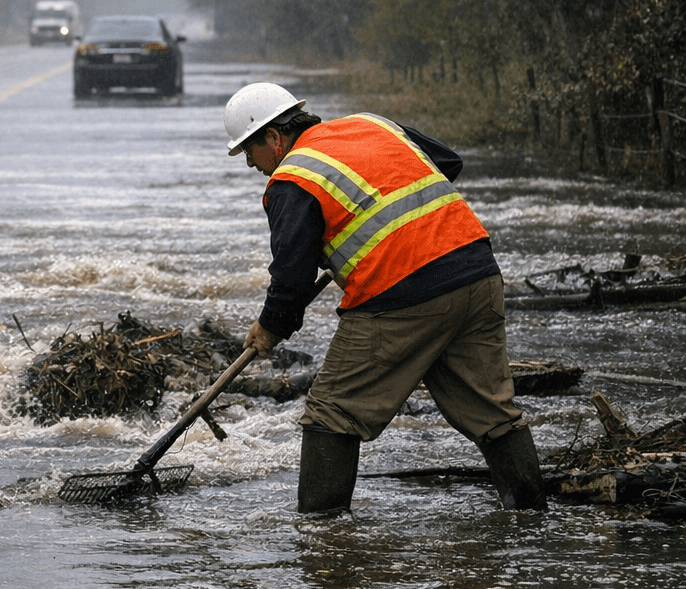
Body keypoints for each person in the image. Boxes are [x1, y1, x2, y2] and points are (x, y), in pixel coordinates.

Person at [224, 82, 546, 514]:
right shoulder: (372, 124)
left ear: (274, 138)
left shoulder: (292, 178)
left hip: (401, 295)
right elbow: (448, 163)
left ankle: (322, 537)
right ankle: (531, 518)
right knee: (492, 412)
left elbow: (291, 279)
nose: (252, 164)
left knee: (331, 415)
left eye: (249, 151)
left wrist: (270, 328)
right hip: (477, 274)